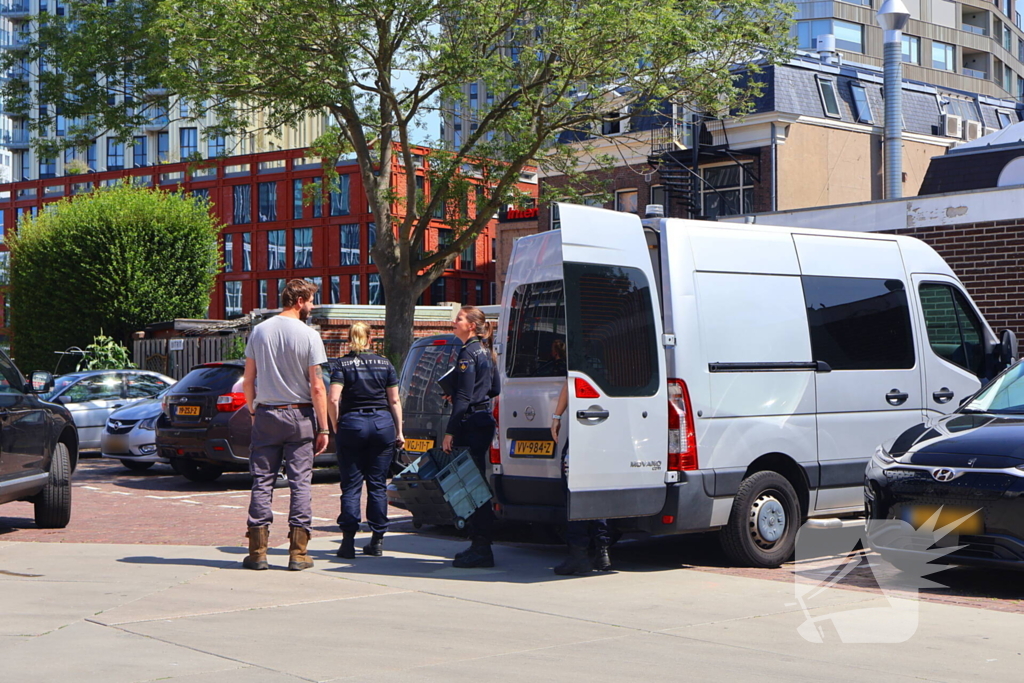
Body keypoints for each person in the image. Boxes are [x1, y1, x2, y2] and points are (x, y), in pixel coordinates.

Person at [242, 279, 330, 572]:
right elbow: (317, 386)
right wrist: (324, 427)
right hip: (300, 415)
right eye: (311, 300)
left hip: (267, 413)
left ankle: (257, 552)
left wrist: (254, 411)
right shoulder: (309, 336)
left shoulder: (260, 331)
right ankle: (298, 553)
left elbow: (249, 379)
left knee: (262, 481)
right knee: (300, 483)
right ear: (299, 300)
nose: (312, 306)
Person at [329, 322, 405, 559]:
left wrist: (335, 424)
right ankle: (377, 540)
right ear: (371, 339)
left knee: (351, 486)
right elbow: (394, 400)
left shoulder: (341, 364)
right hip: (382, 425)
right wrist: (399, 431)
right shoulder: (384, 363)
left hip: (352, 425)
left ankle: (348, 542)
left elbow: (333, 399)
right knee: (377, 484)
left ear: (350, 339)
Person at [442, 306, 501, 568]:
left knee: (473, 487)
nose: (454, 323)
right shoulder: (487, 350)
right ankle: (479, 545)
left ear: (472, 326)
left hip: (471, 424)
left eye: (459, 319)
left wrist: (450, 431)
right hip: (484, 419)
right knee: (478, 483)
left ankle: (481, 548)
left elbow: (465, 397)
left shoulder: (468, 352)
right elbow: (494, 388)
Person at [550, 381, 613, 575]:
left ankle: (578, 556)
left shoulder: (580, 357)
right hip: (606, 432)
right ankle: (602, 553)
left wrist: (556, 416)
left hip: (583, 430)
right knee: (596, 490)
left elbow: (568, 386)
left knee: (574, 492)